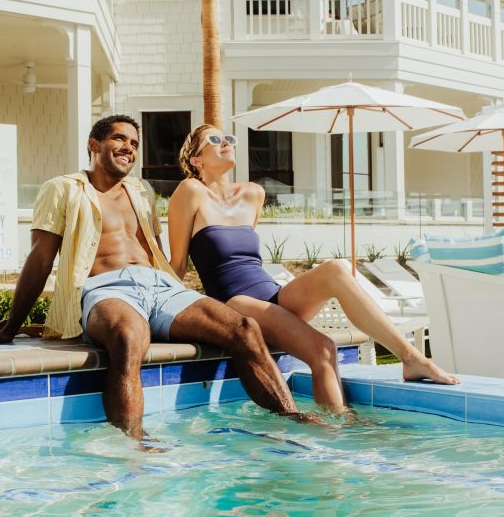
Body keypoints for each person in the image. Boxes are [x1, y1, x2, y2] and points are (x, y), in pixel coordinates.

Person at [0, 115, 297, 439]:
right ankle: (134, 442)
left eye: (134, 142)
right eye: (118, 138)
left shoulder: (141, 192)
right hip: (105, 287)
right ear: (94, 144)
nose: (129, 147)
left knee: (244, 328)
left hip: (160, 287)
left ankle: (293, 420)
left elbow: (159, 253)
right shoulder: (63, 188)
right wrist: (12, 325)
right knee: (129, 336)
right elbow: (40, 259)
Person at [168, 125, 459, 413]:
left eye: (229, 138)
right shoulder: (191, 191)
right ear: (196, 160)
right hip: (234, 303)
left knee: (335, 268)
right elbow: (178, 266)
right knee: (323, 349)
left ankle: (409, 357)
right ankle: (335, 435)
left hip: (271, 293)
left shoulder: (252, 194)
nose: (226, 142)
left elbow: (247, 258)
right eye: (215, 140)